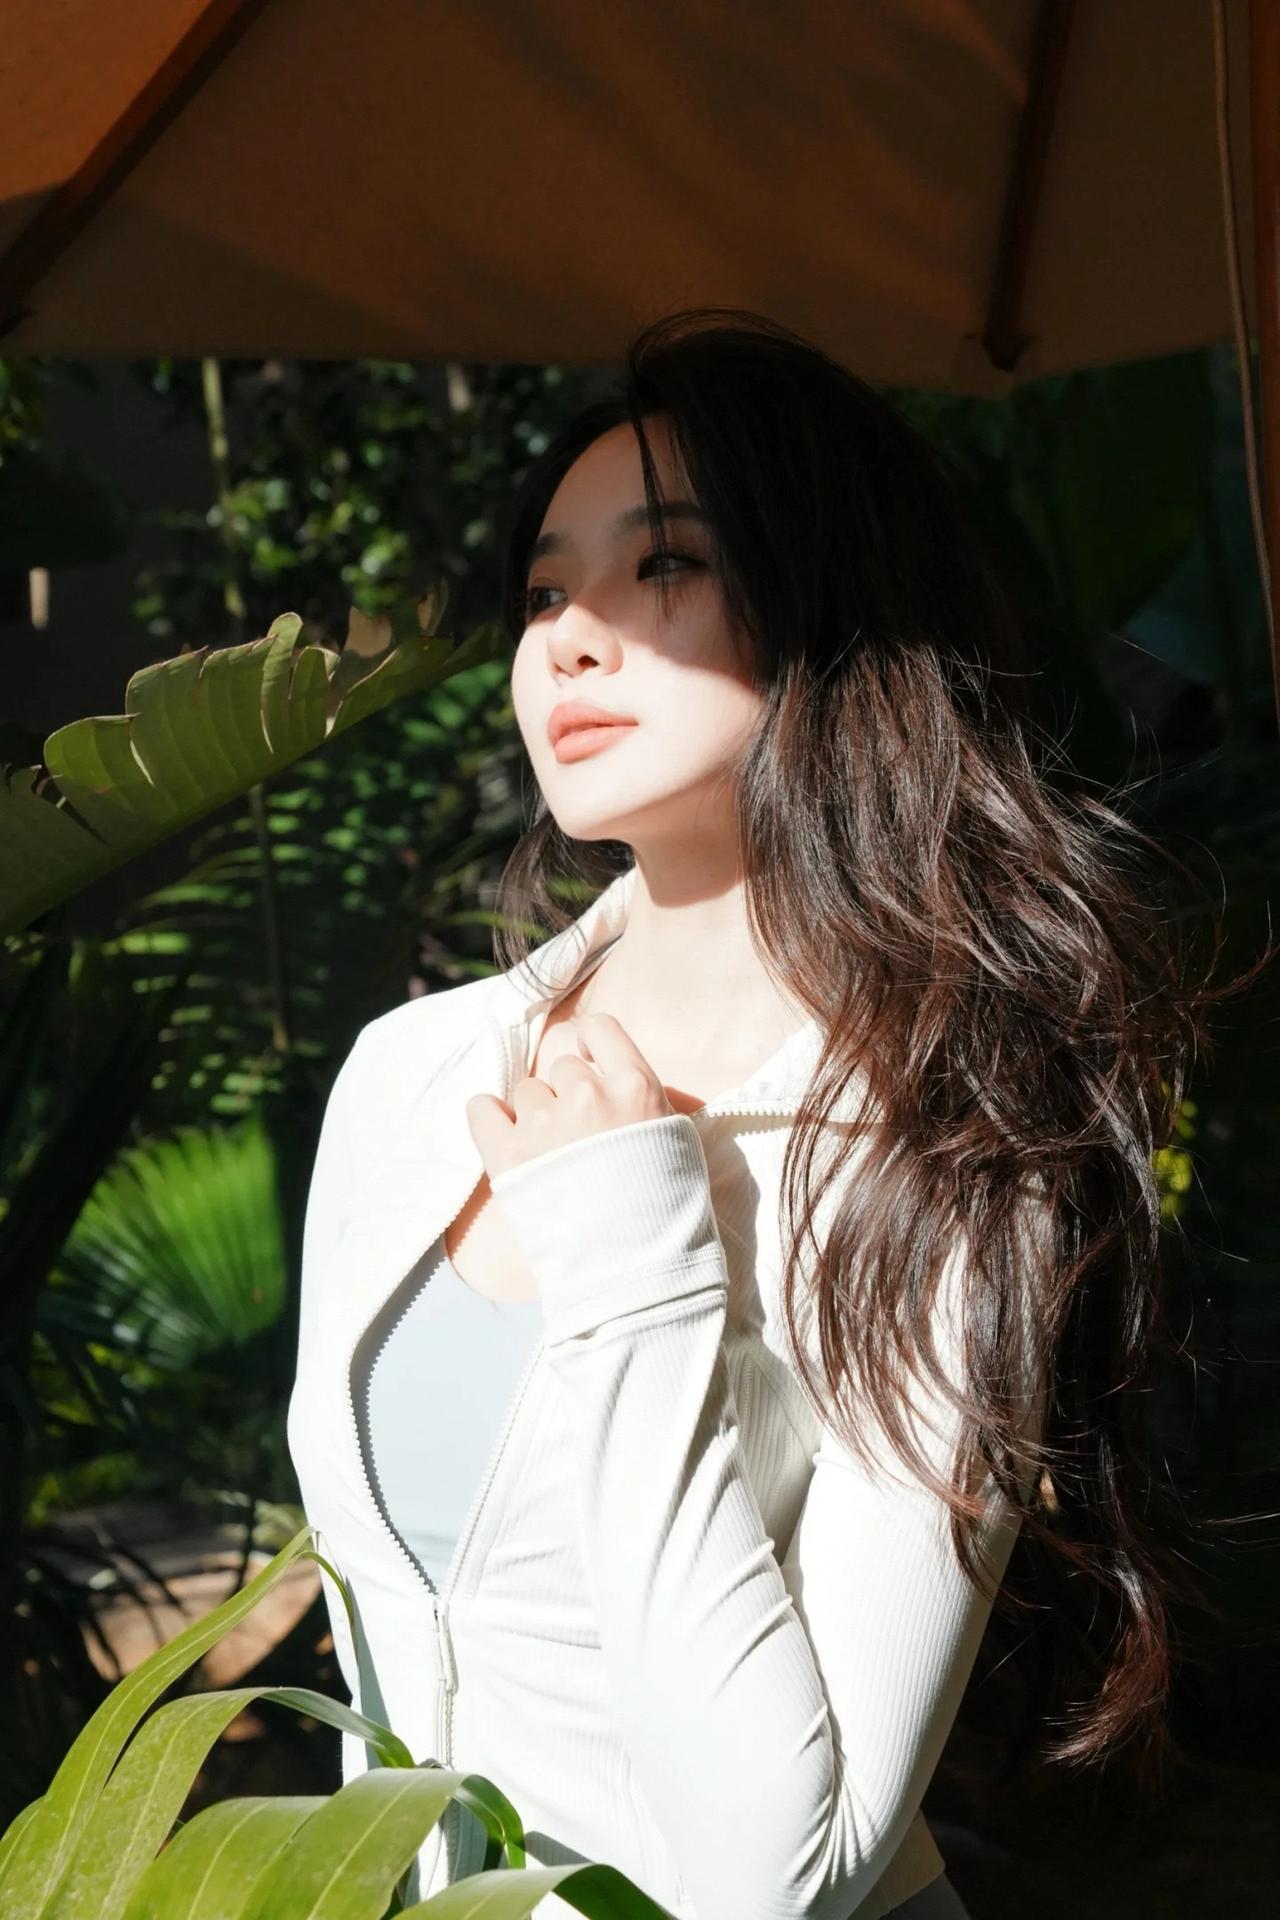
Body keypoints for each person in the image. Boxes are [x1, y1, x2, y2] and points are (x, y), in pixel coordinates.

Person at [288, 307, 1248, 1919]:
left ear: (830, 603)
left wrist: (634, 1251)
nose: (567, 641)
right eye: (545, 590)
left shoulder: (949, 1149)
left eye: (662, 564)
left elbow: (781, 1877)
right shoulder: (408, 1076)